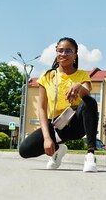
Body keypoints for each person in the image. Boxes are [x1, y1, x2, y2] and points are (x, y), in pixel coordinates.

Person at [19, 37, 99, 172]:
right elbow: (42, 109)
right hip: (57, 126)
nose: (63, 54)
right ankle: (59, 149)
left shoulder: (82, 75)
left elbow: (87, 93)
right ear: (56, 52)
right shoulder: (47, 76)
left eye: (68, 51)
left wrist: (78, 86)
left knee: (89, 101)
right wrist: (47, 138)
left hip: (77, 124)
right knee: (25, 150)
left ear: (75, 55)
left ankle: (90, 154)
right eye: (60, 50)